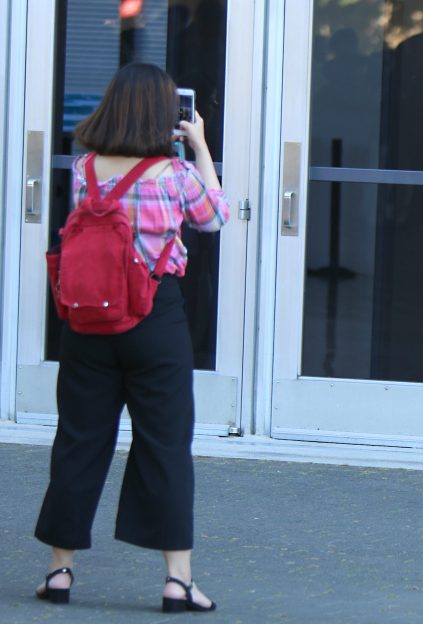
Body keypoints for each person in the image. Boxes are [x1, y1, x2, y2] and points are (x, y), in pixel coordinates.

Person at [33, 63, 228, 611]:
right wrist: (202, 148)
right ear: (166, 114)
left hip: (88, 320)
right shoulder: (172, 174)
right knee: (165, 443)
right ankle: (177, 580)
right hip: (154, 318)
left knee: (80, 439)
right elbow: (215, 218)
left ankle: (60, 571)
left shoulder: (85, 168)